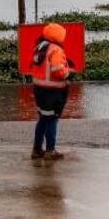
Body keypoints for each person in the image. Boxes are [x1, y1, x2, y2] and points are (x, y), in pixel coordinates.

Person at [29, 22, 73, 160]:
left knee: (42, 118)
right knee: (52, 120)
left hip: (39, 90)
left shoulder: (39, 47)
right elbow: (57, 69)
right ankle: (50, 150)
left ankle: (37, 149)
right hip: (53, 92)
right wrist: (67, 74)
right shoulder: (56, 50)